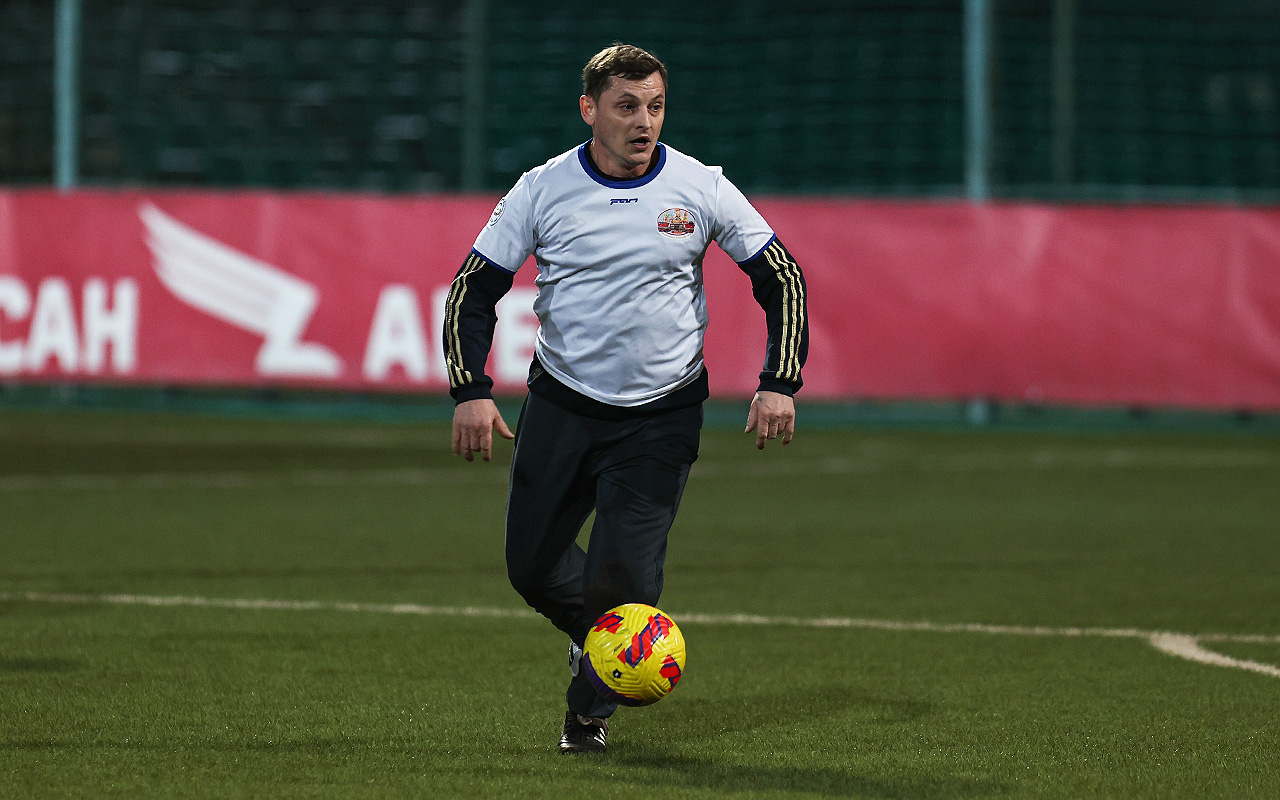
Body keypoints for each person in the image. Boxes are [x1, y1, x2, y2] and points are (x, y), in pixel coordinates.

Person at [443, 43, 808, 754]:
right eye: (627, 106)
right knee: (531, 567)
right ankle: (601, 641)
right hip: (562, 406)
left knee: (624, 581)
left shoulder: (700, 186)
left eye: (656, 106)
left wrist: (778, 382)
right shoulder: (541, 189)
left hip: (660, 418)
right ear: (589, 109)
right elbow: (472, 291)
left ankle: (587, 715)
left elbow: (782, 278)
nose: (645, 121)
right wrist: (470, 391)